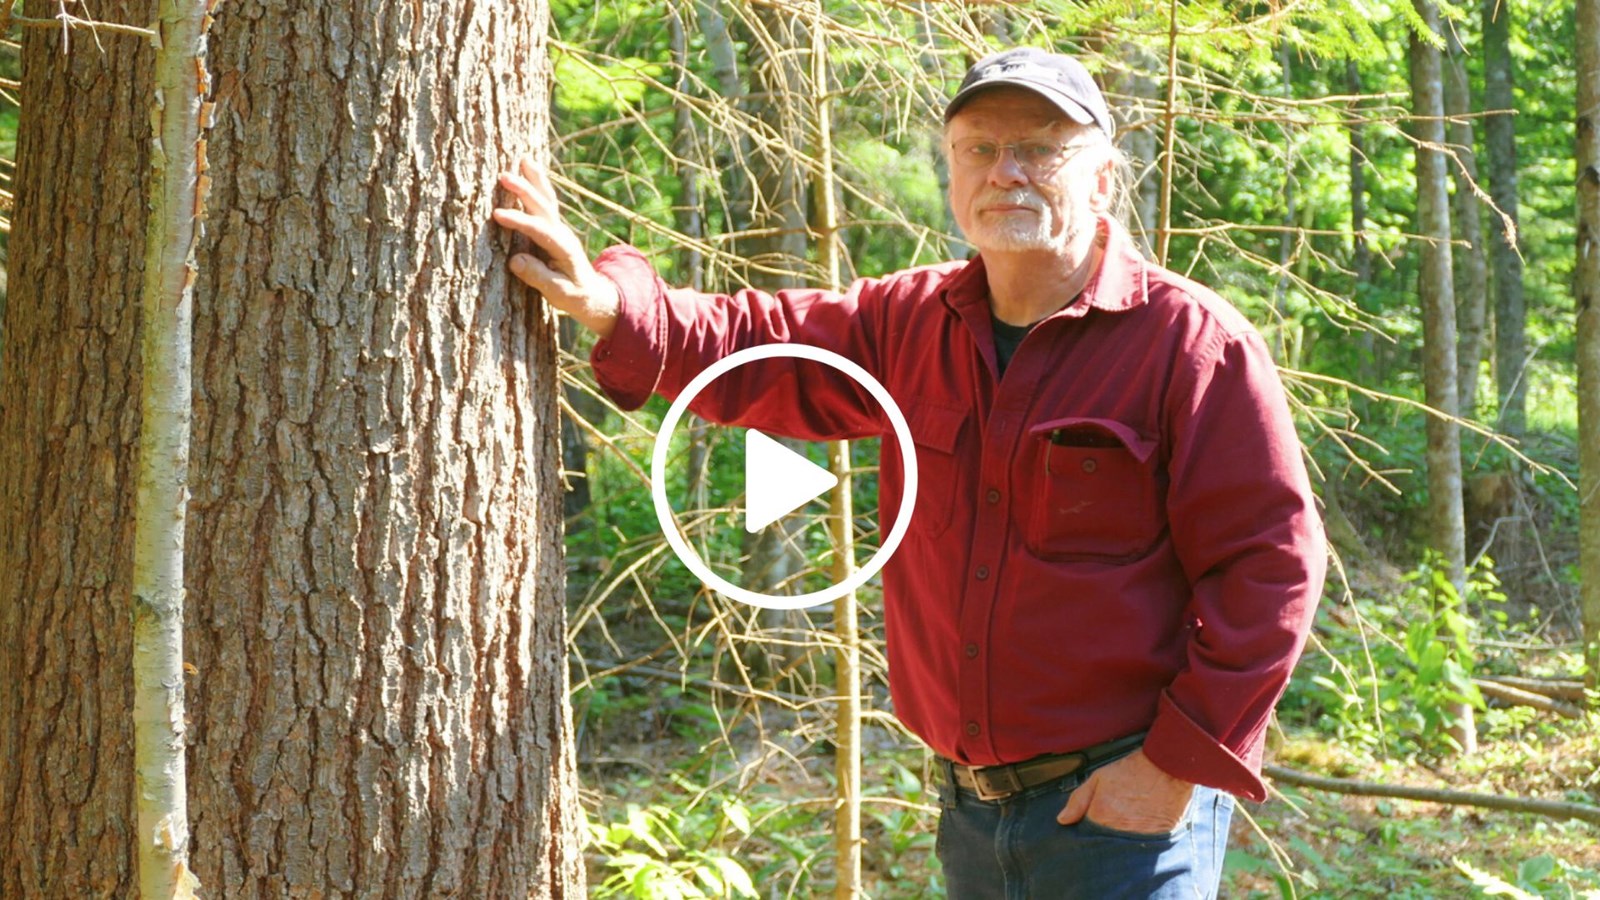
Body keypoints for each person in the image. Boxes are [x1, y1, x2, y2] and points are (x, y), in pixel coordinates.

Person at [494, 46, 1326, 900]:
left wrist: (1171, 769)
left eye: (1041, 148)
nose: (1006, 172)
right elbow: (753, 344)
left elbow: (1271, 569)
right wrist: (606, 303)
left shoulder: (1189, 345)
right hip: (970, 816)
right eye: (978, 148)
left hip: (1122, 821)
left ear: (1104, 177)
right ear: (952, 169)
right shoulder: (908, 323)